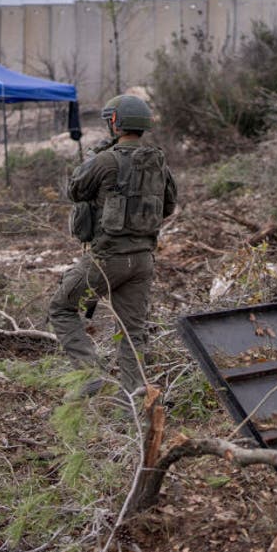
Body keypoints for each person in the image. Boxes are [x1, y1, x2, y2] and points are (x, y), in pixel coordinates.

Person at [47, 94, 177, 400]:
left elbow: (75, 190)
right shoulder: (159, 162)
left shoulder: (105, 161)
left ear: (115, 123)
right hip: (143, 261)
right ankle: (130, 405)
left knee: (61, 307)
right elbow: (168, 206)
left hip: (107, 260)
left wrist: (95, 154)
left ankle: (90, 374)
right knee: (133, 334)